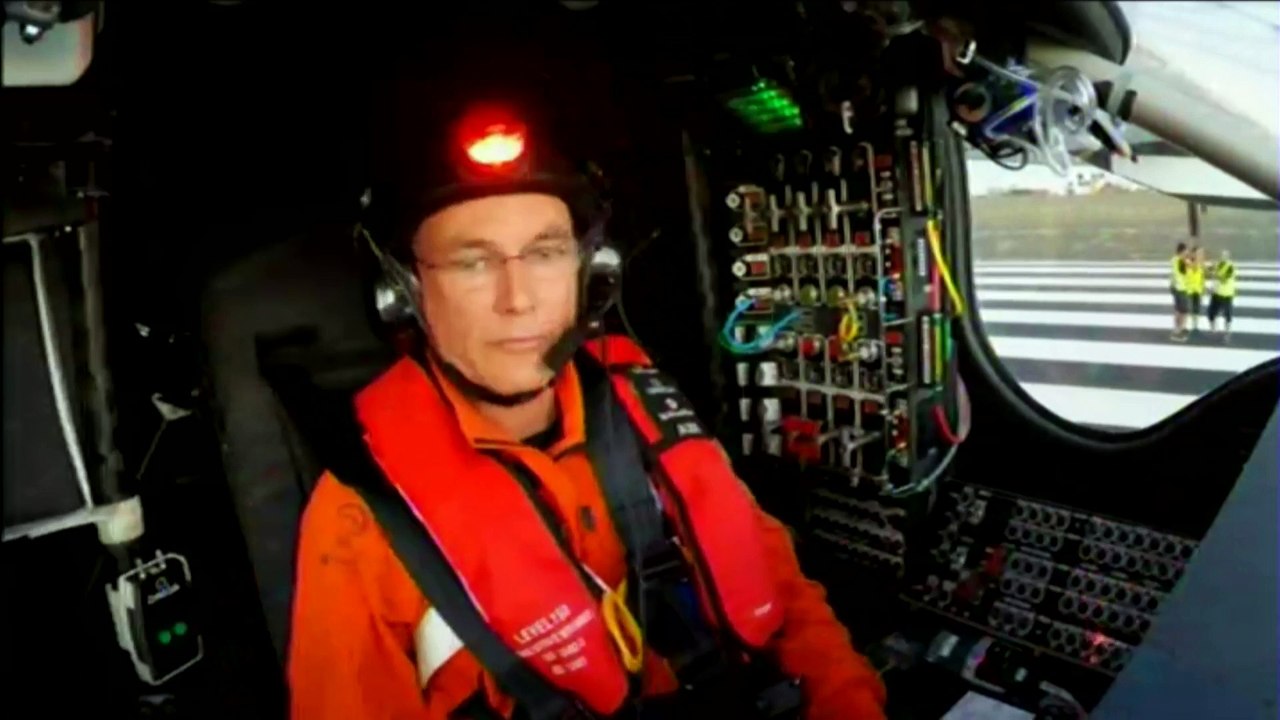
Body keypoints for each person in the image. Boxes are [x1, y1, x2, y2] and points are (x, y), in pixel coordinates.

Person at [287, 92, 887, 720]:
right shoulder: (360, 522)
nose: (516, 299)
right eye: (472, 263)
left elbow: (790, 604)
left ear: (591, 273)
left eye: (545, 254)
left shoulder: (647, 409)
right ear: (401, 295)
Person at [1207, 249, 1237, 342]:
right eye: (1222, 255)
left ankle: (1227, 333)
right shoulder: (1218, 264)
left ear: (1228, 256)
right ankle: (1214, 330)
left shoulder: (1231, 266)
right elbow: (1210, 270)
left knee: (1227, 315)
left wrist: (1214, 273)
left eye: (1225, 255)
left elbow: (1223, 278)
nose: (1223, 257)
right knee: (1211, 312)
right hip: (1217, 293)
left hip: (1227, 295)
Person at [1169, 242, 1191, 342]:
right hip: (1181, 289)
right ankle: (1180, 332)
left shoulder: (1174, 260)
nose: (1187, 252)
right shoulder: (1181, 261)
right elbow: (1188, 268)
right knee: (1184, 312)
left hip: (1175, 288)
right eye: (1186, 250)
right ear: (1182, 251)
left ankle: (1175, 331)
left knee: (1178, 310)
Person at [1185, 246, 1206, 333]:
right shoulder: (1187, 261)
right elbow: (1194, 267)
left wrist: (1203, 288)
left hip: (1197, 289)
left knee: (1196, 308)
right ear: (1193, 253)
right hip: (1189, 289)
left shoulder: (1200, 264)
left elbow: (1202, 277)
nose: (1199, 255)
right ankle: (1185, 326)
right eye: (1197, 253)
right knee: (1187, 308)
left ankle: (1195, 326)